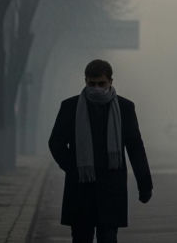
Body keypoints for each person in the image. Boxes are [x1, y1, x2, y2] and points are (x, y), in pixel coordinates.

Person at [48, 59, 153, 243]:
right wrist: (74, 168)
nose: (96, 88)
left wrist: (145, 185)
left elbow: (135, 147)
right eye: (92, 83)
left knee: (108, 237)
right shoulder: (70, 107)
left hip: (111, 188)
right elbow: (55, 143)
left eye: (101, 83)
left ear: (111, 81)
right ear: (85, 81)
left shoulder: (125, 108)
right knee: (81, 238)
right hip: (81, 187)